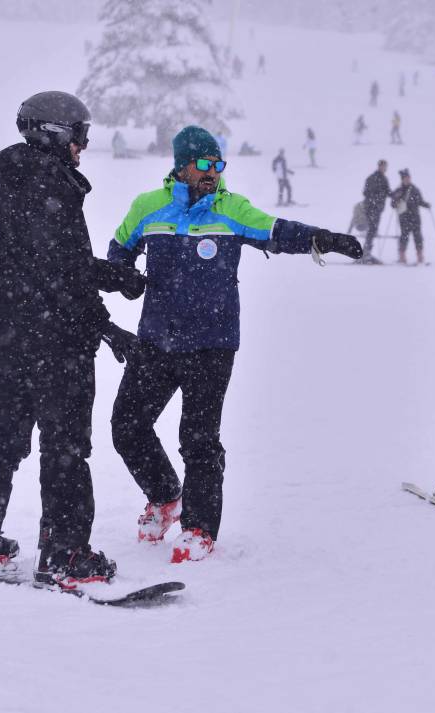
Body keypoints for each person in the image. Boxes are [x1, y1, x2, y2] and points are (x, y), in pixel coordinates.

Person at [106, 125, 362, 563]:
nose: (213, 173)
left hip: (212, 343)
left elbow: (278, 231)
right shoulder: (148, 207)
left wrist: (325, 238)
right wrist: (123, 277)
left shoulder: (231, 208)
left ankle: (200, 528)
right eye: (204, 164)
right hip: (157, 340)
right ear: (181, 165)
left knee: (199, 438)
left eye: (218, 165)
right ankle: (166, 496)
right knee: (126, 425)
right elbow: (119, 250)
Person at [0, 91, 143, 588]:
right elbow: (65, 274)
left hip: (11, 336)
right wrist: (107, 315)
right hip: (54, 343)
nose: (85, 145)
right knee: (66, 446)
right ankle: (65, 553)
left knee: (6, 434)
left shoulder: (17, 182)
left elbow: (53, 269)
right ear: (55, 134)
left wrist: (106, 288)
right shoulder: (47, 186)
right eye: (81, 134)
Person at [390, 168, 429, 264]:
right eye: (405, 178)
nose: (407, 179)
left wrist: (426, 205)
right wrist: (396, 200)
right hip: (404, 217)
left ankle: (420, 256)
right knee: (404, 236)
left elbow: (420, 201)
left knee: (417, 236)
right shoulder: (398, 190)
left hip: (415, 216)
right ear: (402, 179)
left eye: (408, 177)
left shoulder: (415, 189)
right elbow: (392, 204)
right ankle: (402, 256)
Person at [361, 159, 390, 262]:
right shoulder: (373, 178)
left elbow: (388, 192)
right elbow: (366, 192)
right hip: (372, 208)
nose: (384, 168)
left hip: (377, 208)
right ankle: (366, 252)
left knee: (373, 229)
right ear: (379, 166)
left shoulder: (384, 179)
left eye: (385, 167)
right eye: (383, 166)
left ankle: (366, 251)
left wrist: (396, 196)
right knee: (372, 229)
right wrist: (376, 198)